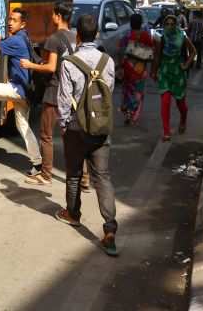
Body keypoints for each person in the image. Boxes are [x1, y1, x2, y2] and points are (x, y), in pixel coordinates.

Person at [56, 14, 119, 257]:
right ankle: (110, 229)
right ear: (97, 35)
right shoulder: (108, 61)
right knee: (102, 177)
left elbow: (64, 97)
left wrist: (63, 124)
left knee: (73, 174)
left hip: (76, 127)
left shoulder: (69, 62)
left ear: (78, 36)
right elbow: (109, 91)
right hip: (101, 127)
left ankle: (73, 213)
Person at [0, 8, 42, 174]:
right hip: (26, 92)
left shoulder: (17, 40)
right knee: (23, 126)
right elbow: (0, 41)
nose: (9, 22)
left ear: (22, 24)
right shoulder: (22, 37)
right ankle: (37, 162)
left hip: (17, 89)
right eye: (9, 19)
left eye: (14, 20)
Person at [20, 2, 75, 186]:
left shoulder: (54, 39)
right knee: (73, 137)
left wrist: (31, 65)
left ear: (58, 16)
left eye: (53, 14)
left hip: (54, 91)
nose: (51, 17)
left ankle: (46, 174)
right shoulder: (76, 38)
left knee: (46, 135)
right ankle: (82, 179)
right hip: (73, 92)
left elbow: (51, 67)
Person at [151, 13, 196, 141]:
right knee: (165, 101)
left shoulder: (182, 36)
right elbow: (157, 56)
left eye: (172, 24)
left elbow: (193, 51)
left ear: (176, 25)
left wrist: (186, 65)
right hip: (164, 72)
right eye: (167, 24)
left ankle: (183, 118)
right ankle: (166, 132)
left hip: (178, 72)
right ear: (164, 25)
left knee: (180, 103)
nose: (169, 26)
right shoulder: (161, 37)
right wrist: (154, 71)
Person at [119, 13, 154, 126]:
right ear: (140, 23)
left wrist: (120, 67)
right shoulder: (146, 36)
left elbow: (121, 52)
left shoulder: (126, 36)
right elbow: (151, 52)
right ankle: (134, 114)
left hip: (128, 68)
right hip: (141, 69)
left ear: (130, 23)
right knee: (138, 92)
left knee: (127, 92)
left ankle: (128, 113)